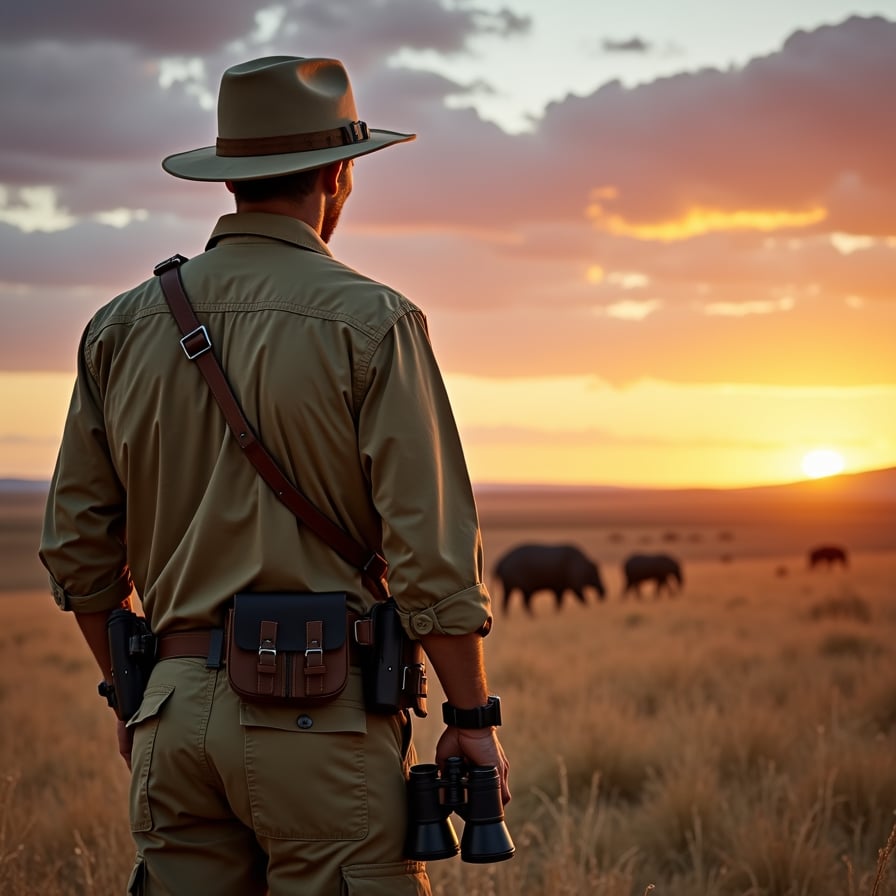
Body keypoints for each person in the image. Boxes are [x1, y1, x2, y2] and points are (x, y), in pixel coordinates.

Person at [39, 55, 510, 896]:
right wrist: (471, 718)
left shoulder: (117, 327)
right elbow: (431, 557)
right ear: (338, 175)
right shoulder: (375, 322)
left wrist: (132, 696)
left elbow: (77, 556)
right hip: (322, 723)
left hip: (170, 720)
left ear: (230, 178)